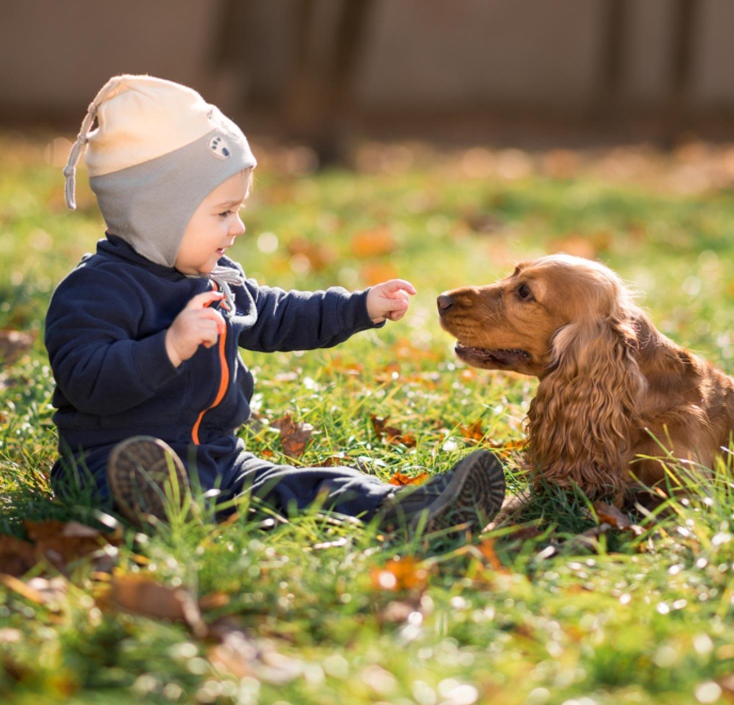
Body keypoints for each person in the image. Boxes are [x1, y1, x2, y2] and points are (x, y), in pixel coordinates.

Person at [46, 74, 505, 532]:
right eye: (223, 212)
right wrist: (168, 347)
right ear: (157, 216)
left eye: (238, 210)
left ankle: (400, 508)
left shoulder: (217, 279)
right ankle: (158, 506)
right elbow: (86, 380)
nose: (238, 227)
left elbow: (279, 315)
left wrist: (359, 307)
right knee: (140, 481)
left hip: (218, 459)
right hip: (108, 461)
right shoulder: (95, 291)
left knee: (305, 486)